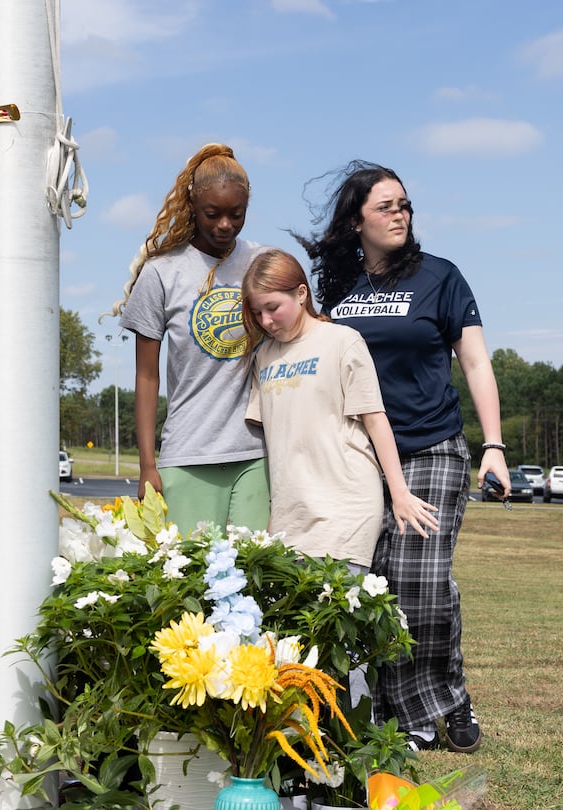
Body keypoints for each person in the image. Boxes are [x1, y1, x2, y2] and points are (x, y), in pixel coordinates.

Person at [295, 161, 509, 754]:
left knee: (419, 579)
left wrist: (494, 445)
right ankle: (444, 701)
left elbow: (475, 364)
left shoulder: (440, 277)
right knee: (381, 585)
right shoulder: (337, 289)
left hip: (432, 445)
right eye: (385, 206)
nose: (399, 215)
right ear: (356, 219)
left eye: (405, 205)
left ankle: (417, 717)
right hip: (360, 457)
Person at [241, 249, 439, 570]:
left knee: (337, 617)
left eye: (273, 308)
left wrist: (399, 493)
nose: (265, 321)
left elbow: (375, 421)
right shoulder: (263, 357)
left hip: (345, 513)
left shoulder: (343, 341)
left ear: (301, 294)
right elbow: (268, 443)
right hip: (289, 520)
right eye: (257, 312)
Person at [112, 144, 270, 532]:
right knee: (193, 584)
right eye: (212, 214)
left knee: (255, 583)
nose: (225, 226)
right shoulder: (162, 273)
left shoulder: (263, 262)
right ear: (192, 206)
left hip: (257, 454)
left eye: (237, 215)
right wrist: (147, 465)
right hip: (188, 455)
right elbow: (147, 377)